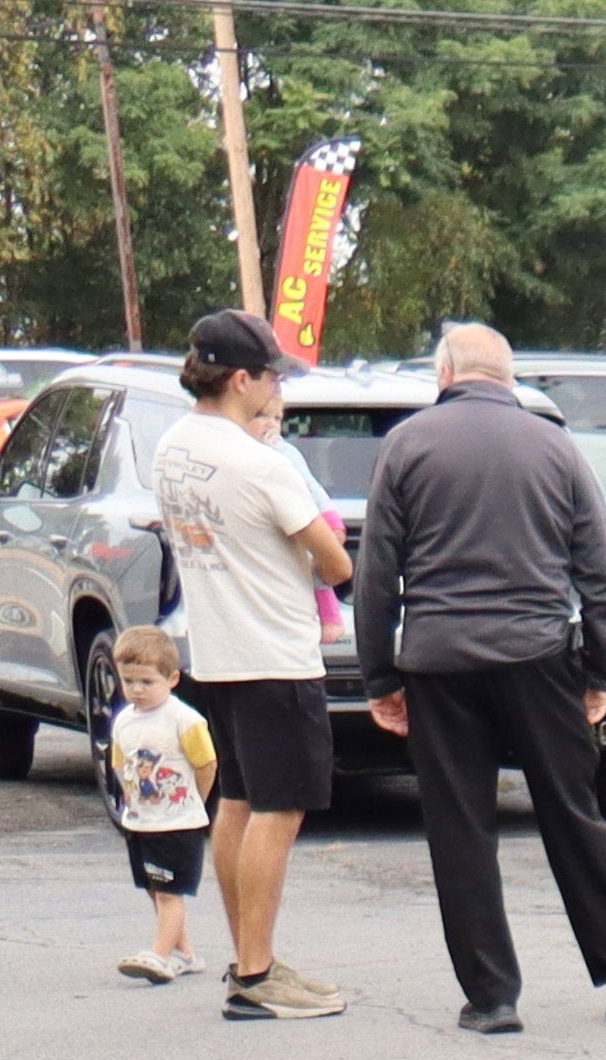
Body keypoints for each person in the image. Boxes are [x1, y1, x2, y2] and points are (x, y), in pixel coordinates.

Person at [348, 320, 606, 1034]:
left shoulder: (406, 446)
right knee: (573, 815)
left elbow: (376, 574)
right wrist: (599, 668)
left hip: (438, 661)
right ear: (509, 376)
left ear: (445, 374)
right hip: (537, 655)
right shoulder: (555, 446)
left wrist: (380, 677)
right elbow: (599, 571)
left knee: (460, 827)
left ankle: (491, 996)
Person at [148, 308, 348, 1023]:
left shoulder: (173, 446)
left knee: (235, 801)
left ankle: (247, 959)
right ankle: (257, 975)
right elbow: (334, 560)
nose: (276, 388)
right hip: (274, 652)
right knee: (279, 808)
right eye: (271, 376)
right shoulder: (260, 463)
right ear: (241, 379)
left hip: (217, 649)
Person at [99, 627, 213, 984]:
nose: (136, 689)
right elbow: (119, 762)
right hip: (142, 822)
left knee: (168, 892)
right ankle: (184, 953)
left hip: (177, 823)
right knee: (154, 887)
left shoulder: (184, 720)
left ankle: (159, 955)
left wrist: (195, 802)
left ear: (172, 678)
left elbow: (206, 764)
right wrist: (129, 800)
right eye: (128, 680)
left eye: (147, 681)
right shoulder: (124, 721)